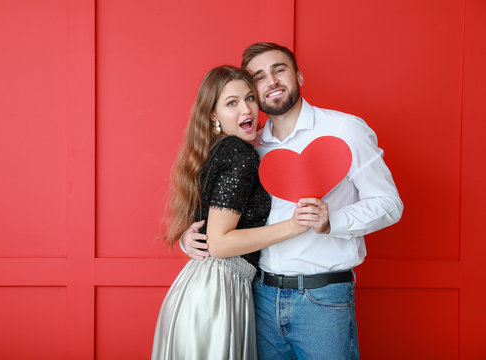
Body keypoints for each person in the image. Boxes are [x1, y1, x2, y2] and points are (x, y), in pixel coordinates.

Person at [182, 43, 404, 359]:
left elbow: (389, 203)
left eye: (279, 69)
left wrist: (332, 221)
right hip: (258, 296)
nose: (271, 81)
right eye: (259, 77)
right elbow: (222, 219)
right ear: (252, 91)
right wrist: (188, 239)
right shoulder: (250, 144)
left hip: (323, 298)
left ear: (298, 75)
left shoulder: (345, 129)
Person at [152, 65, 328, 360]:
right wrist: (295, 225)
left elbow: (209, 228)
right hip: (216, 297)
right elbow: (220, 244)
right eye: (231, 103)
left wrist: (187, 238)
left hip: (203, 290)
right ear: (213, 115)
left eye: (249, 98)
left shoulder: (220, 149)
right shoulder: (239, 152)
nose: (246, 109)